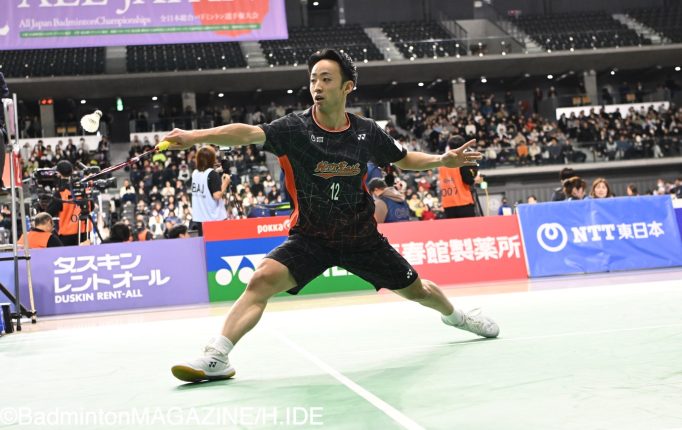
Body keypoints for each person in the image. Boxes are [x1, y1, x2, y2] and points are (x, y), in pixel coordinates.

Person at [162, 48, 498, 383]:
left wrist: (442, 160)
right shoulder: (295, 128)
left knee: (418, 290)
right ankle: (217, 355)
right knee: (261, 279)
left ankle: (457, 317)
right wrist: (194, 137)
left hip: (361, 238)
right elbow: (247, 133)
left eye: (326, 79)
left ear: (347, 86)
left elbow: (404, 158)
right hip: (312, 237)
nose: (317, 86)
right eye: (313, 80)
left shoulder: (366, 131)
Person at [46, 160, 92, 246]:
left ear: (59, 174)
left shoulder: (61, 192)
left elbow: (49, 213)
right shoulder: (83, 187)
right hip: (85, 231)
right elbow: (91, 206)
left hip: (67, 234)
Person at [190, 145, 230, 236]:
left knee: (205, 242)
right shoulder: (213, 175)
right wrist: (225, 182)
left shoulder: (195, 173)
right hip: (213, 219)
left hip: (201, 218)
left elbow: (206, 177)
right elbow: (217, 195)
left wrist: (217, 170)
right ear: (212, 159)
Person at [438, 135, 479, 219]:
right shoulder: (461, 161)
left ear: (449, 147)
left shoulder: (442, 162)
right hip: (463, 202)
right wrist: (476, 179)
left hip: (447, 203)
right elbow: (468, 180)